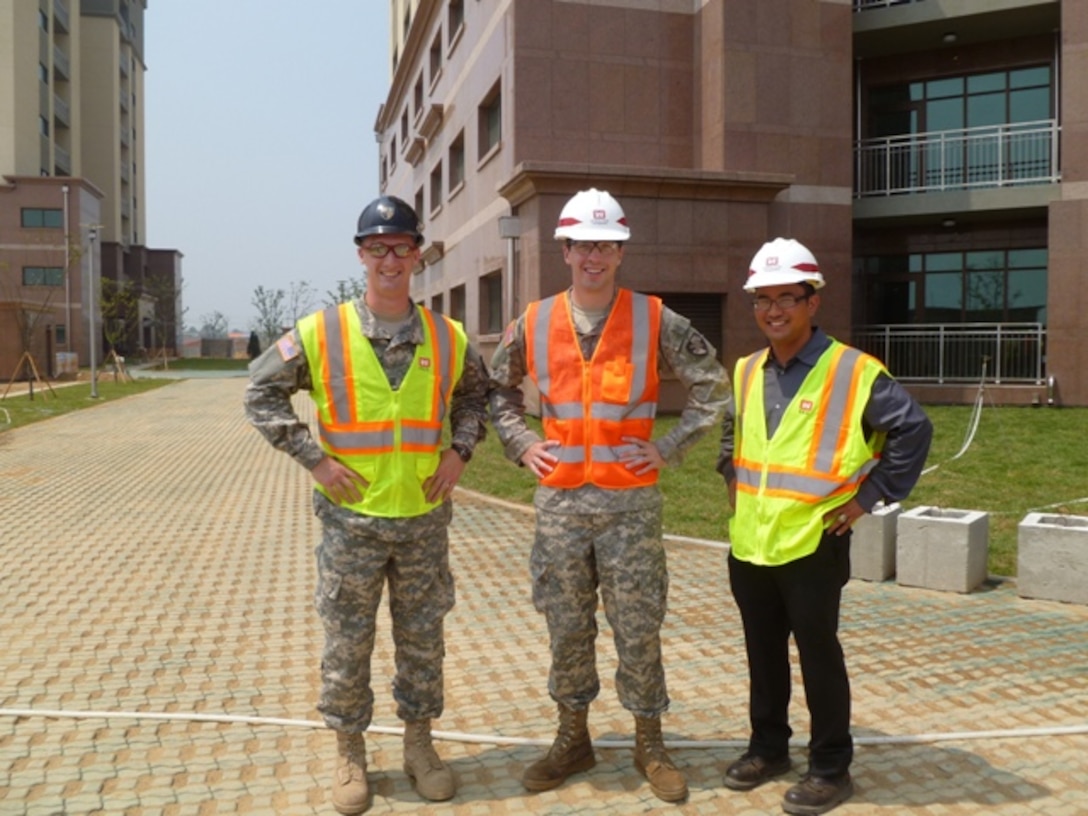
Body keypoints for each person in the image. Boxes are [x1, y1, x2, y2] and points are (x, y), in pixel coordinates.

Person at [244, 195, 489, 815]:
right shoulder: (319, 333)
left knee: (422, 639)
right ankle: (350, 753)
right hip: (350, 522)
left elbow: (476, 398)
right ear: (360, 254)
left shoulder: (447, 335)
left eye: (401, 247)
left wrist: (460, 451)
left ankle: (420, 747)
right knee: (348, 641)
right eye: (376, 247)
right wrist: (314, 459)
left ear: (417, 255)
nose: (389, 259)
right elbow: (260, 394)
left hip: (422, 521)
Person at [489, 188, 731, 803]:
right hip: (562, 506)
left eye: (606, 244)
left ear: (621, 251)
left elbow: (713, 387)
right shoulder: (534, 321)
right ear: (564, 250)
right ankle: (573, 737)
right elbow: (494, 390)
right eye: (582, 244)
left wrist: (669, 447)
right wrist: (520, 444)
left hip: (630, 505)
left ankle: (650, 742)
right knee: (567, 627)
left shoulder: (655, 318)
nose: (593, 255)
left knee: (637, 626)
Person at [717, 238, 932, 815]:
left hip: (815, 542)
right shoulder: (744, 370)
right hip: (751, 544)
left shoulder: (855, 371)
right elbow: (731, 437)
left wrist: (870, 497)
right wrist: (729, 477)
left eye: (787, 297)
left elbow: (913, 430)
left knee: (818, 656)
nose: (773, 310)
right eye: (762, 299)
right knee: (762, 655)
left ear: (813, 302)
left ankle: (832, 767)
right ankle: (768, 748)